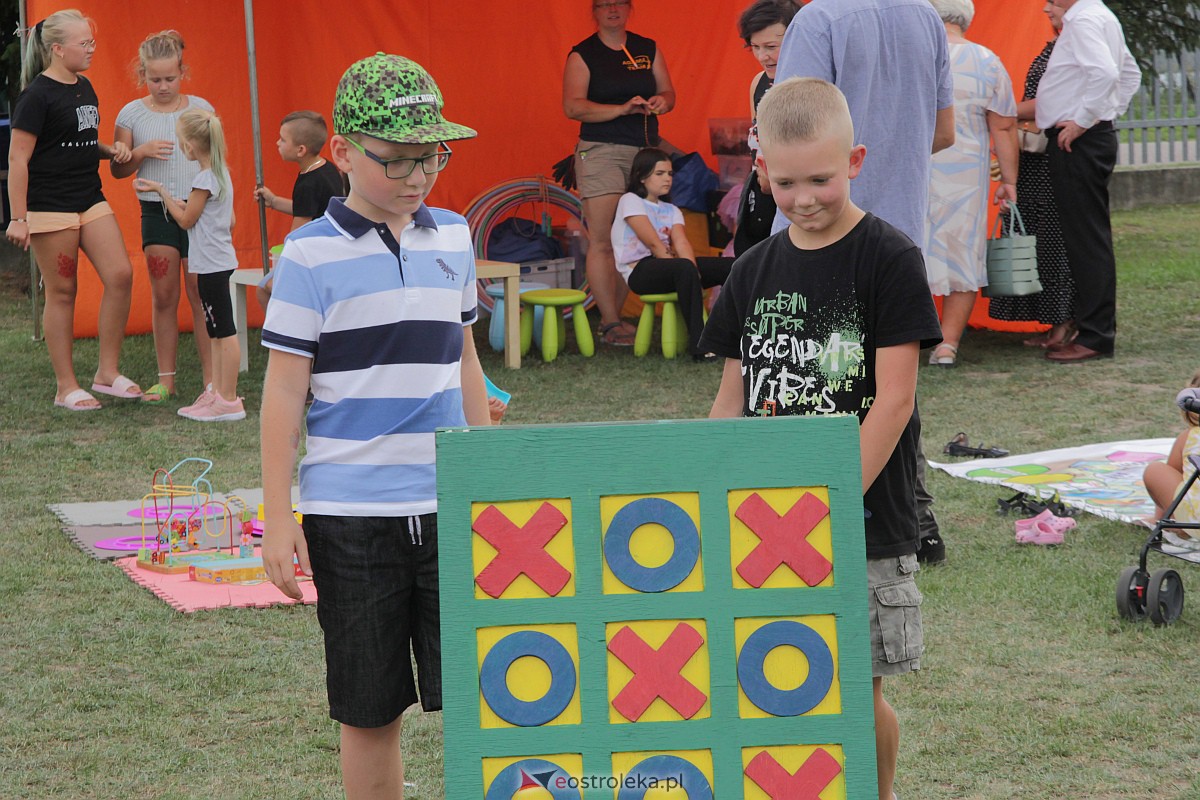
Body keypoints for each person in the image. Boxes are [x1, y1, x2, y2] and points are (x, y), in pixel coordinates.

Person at [700, 78, 942, 800]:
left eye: (821, 179)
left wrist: (824, 504)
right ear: (760, 169)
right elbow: (731, 397)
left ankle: (878, 792)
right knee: (778, 679)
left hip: (860, 523)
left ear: (856, 160)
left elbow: (893, 402)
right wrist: (714, 487)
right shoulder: (750, 271)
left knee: (852, 694)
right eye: (785, 182)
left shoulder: (890, 259)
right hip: (760, 519)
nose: (803, 198)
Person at [259, 54, 491, 800]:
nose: (417, 176)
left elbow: (466, 363)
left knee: (492, 692)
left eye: (431, 157)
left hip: (453, 504)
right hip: (349, 518)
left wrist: (490, 477)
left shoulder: (454, 237)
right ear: (343, 152)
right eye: (396, 160)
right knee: (369, 709)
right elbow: (284, 393)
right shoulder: (306, 255)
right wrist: (275, 516)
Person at [773, 0, 955, 567]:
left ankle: (809, 512)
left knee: (816, 384)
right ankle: (914, 518)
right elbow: (944, 131)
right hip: (901, 225)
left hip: (825, 238)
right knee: (893, 387)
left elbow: (786, 126)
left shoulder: (819, 20)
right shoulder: (926, 16)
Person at [5, 9, 142, 410]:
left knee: (120, 274)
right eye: (85, 43)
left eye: (92, 42)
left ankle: (107, 373)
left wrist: (109, 150)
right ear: (58, 49)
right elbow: (18, 159)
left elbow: (76, 140)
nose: (91, 48)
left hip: (89, 197)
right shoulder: (35, 96)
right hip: (50, 207)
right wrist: (18, 217)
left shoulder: (84, 87)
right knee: (63, 291)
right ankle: (66, 387)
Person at [563, 0, 676, 346]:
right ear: (594, 12)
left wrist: (661, 102)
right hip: (601, 151)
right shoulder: (583, 53)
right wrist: (621, 109)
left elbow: (669, 93)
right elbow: (573, 106)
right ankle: (610, 322)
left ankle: (620, 316)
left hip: (643, 152)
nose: (612, 9)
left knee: (634, 236)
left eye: (619, 3)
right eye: (604, 4)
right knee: (603, 238)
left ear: (629, 9)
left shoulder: (647, 47)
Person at [111, 30, 214, 404]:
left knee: (202, 293)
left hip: (200, 208)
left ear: (182, 71)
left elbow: (215, 161)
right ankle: (166, 380)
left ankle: (211, 381)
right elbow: (118, 172)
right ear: (142, 74)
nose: (163, 86)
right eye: (155, 79)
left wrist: (226, 208)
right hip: (156, 212)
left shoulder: (200, 108)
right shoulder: (131, 114)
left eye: (170, 78)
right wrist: (139, 152)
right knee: (164, 294)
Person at [1036, 0, 1140, 363]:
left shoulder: (1083, 20)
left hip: (1078, 140)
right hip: (1088, 136)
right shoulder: (1101, 15)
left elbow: (1109, 74)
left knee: (1086, 238)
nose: (1046, 5)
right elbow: (1130, 74)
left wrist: (1085, 119)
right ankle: (1089, 326)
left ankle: (1095, 335)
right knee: (1086, 235)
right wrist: (1105, 114)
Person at [923, 0, 1018, 368]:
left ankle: (905, 337)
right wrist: (1009, 181)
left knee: (907, 249)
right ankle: (947, 345)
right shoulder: (986, 60)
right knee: (962, 250)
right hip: (966, 176)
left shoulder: (912, 55)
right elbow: (1004, 125)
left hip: (915, 168)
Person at [134, 107, 244, 422]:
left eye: (181, 141)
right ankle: (218, 393)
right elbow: (229, 218)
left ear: (191, 146)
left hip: (211, 264)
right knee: (216, 331)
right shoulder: (221, 175)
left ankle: (229, 399)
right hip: (216, 261)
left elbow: (184, 220)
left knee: (224, 332)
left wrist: (161, 191)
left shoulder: (203, 180)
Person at [987, 1, 1077, 348]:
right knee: (1038, 238)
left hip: (1050, 159)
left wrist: (1000, 111)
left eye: (1053, 3)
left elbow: (1047, 105)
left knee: (1053, 240)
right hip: (1034, 161)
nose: (1045, 9)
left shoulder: (1069, 48)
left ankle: (1063, 321)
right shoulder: (1056, 45)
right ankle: (1054, 319)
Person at [611, 147, 731, 361]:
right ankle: (700, 346)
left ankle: (734, 335)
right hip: (639, 271)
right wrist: (687, 270)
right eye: (660, 174)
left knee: (732, 266)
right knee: (683, 267)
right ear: (641, 176)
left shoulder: (672, 209)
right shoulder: (630, 200)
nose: (667, 179)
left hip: (670, 267)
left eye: (669, 174)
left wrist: (692, 269)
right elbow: (654, 244)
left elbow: (682, 242)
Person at [253, 110, 345, 308]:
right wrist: (275, 201)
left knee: (263, 289)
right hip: (335, 248)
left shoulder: (307, 183)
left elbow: (298, 232)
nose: (277, 143)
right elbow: (309, 208)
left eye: (283, 140)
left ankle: (282, 334)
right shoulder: (327, 168)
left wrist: (288, 261)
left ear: (300, 150)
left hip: (317, 256)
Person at [732, 0, 797, 256]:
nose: (762, 56)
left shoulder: (813, 81)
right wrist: (762, 170)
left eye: (771, 47)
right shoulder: (758, 82)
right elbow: (756, 135)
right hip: (764, 194)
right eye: (755, 47)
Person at [1143, 371, 1200, 550]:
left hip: (1195, 523)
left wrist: (1160, 518)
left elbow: (1173, 473)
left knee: (1156, 471)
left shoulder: (1190, 437)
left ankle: (1172, 522)